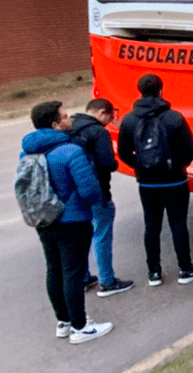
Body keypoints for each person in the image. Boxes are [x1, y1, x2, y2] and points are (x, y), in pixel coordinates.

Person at [23, 101, 112, 344]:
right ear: (55, 124)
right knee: (73, 273)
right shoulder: (71, 151)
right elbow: (90, 191)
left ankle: (63, 321)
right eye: (64, 116)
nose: (69, 118)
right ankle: (80, 327)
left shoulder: (28, 152)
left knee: (54, 269)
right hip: (72, 220)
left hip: (44, 219)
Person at [117, 73, 193, 287]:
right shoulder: (174, 117)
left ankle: (154, 272)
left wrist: (140, 166)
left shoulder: (129, 120)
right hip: (175, 181)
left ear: (139, 91)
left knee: (151, 227)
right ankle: (186, 269)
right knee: (178, 224)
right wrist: (178, 166)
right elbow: (188, 150)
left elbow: (124, 152)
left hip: (147, 183)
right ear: (161, 90)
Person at [70, 99, 133, 297]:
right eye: (109, 117)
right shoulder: (98, 132)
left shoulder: (69, 127)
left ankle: (83, 278)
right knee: (101, 235)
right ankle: (107, 281)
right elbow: (107, 163)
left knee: (81, 237)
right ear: (101, 112)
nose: (109, 121)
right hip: (97, 192)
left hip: (74, 193)